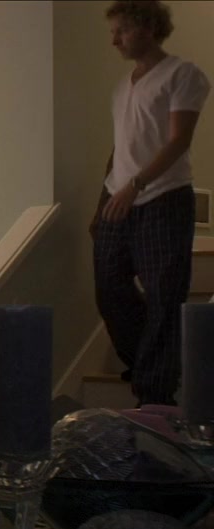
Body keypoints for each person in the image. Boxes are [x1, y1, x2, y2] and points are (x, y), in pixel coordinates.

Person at [90, 0, 208, 407]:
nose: (115, 41)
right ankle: (147, 363)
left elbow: (179, 140)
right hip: (118, 196)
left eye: (121, 30)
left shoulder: (183, 75)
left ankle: (155, 396)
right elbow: (122, 147)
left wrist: (136, 185)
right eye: (113, 32)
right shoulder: (122, 86)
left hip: (163, 199)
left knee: (164, 294)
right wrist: (105, 199)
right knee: (109, 287)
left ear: (148, 28)